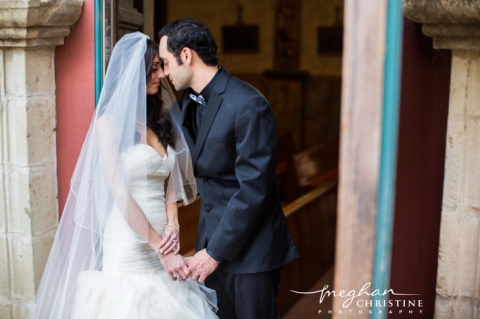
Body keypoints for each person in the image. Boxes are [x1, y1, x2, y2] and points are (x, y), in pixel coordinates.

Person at [31, 32, 217, 319]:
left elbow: (168, 180)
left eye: (160, 66)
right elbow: (118, 192)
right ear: (135, 73)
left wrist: (173, 226)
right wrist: (159, 247)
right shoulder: (109, 124)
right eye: (154, 68)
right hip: (130, 243)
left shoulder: (160, 120)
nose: (161, 74)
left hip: (164, 241)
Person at [158, 18, 299, 319]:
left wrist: (214, 253)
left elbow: (254, 190)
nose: (165, 73)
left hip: (251, 253)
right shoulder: (186, 106)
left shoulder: (248, 104)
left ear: (186, 55)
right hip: (208, 247)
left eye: (167, 63)